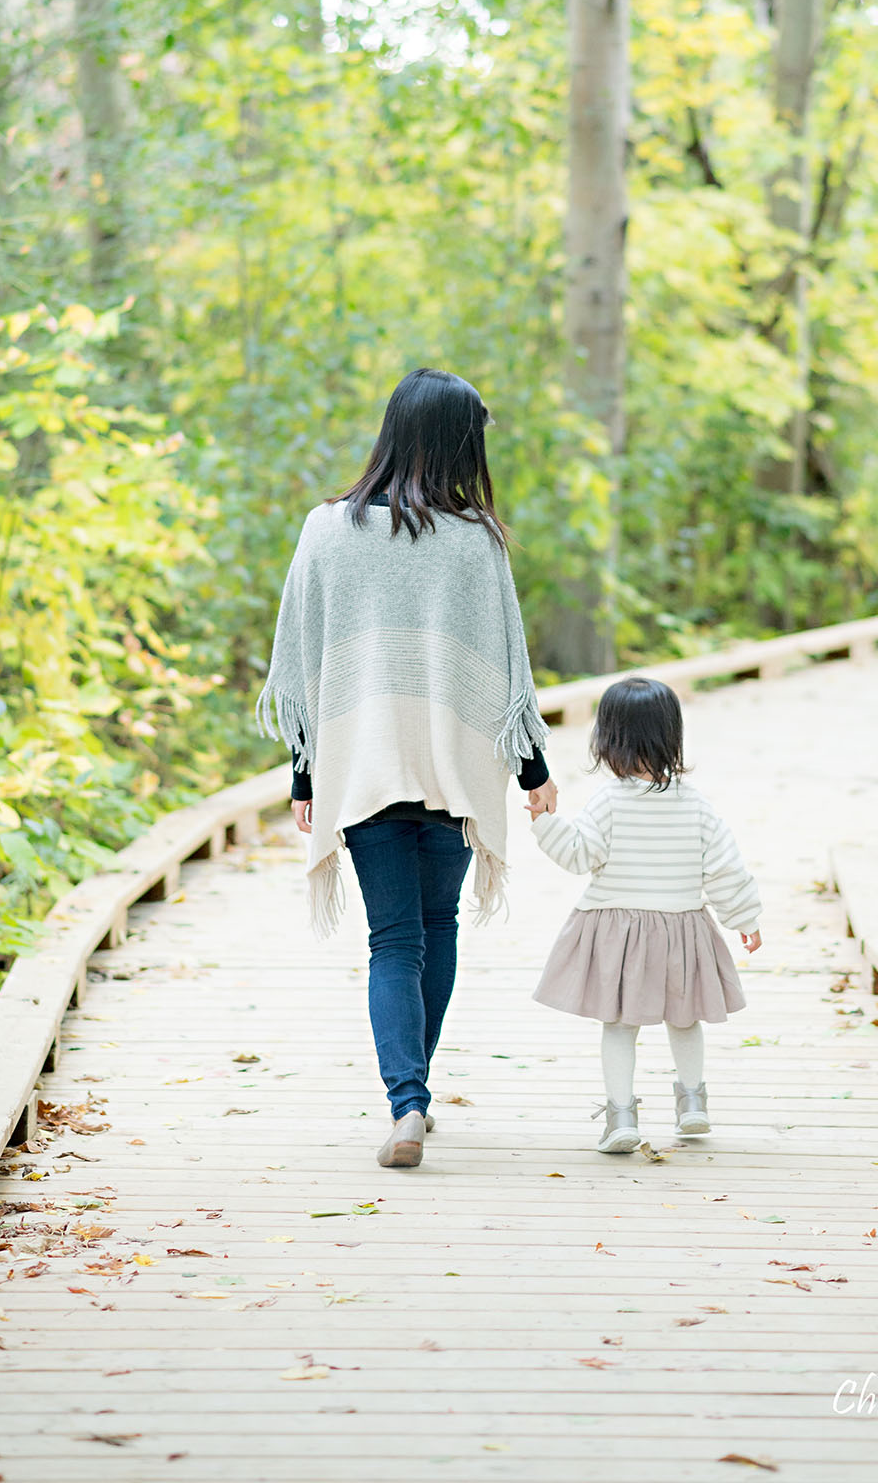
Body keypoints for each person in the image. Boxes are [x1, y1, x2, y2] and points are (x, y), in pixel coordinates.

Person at [256, 368, 556, 1169]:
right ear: (457, 442)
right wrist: (534, 776)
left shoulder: (327, 530)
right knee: (437, 928)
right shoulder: (474, 539)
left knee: (394, 939)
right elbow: (507, 674)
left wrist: (304, 776)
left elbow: (306, 664)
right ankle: (415, 1094)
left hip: (362, 765)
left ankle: (407, 1103)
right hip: (454, 769)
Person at [529, 676, 762, 1153]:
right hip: (682, 929)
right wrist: (744, 918)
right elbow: (724, 868)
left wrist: (544, 820)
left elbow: (577, 855)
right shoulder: (695, 805)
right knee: (685, 1019)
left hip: (619, 933)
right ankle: (693, 1104)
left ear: (608, 740)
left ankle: (620, 1117)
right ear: (671, 736)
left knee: (618, 1025)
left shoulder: (609, 802)